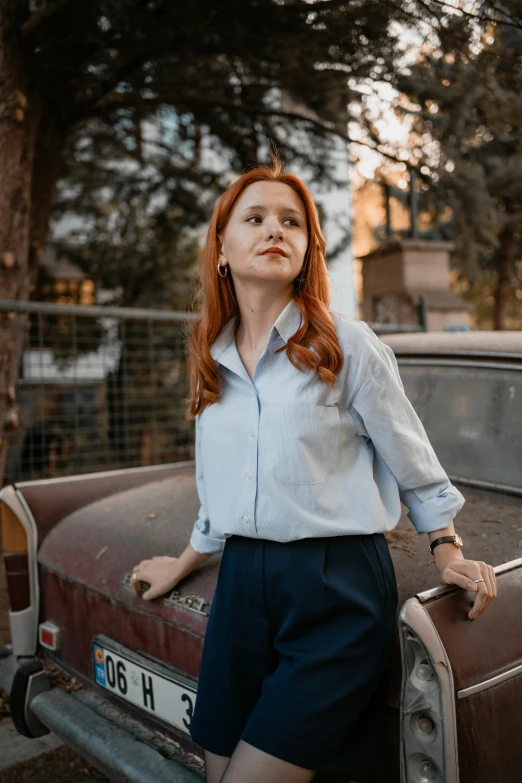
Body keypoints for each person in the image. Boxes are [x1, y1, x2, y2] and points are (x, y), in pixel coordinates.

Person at [130, 158, 497, 783]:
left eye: (292, 222)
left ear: (306, 251)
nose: (276, 229)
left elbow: (416, 466)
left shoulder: (345, 345)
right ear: (222, 248)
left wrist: (446, 550)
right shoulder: (210, 362)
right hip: (241, 587)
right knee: (216, 772)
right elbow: (222, 491)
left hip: (335, 587)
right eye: (256, 218)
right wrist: (184, 561)